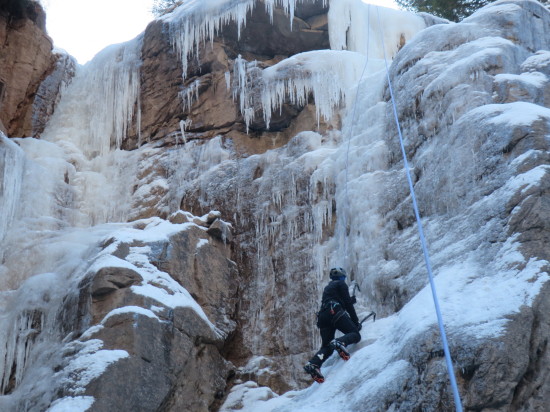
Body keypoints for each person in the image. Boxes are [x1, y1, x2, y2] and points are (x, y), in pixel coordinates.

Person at [303, 267, 361, 383]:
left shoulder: (328, 288)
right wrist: (355, 322)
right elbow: (348, 305)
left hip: (323, 316)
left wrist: (349, 301)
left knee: (327, 347)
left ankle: (314, 363)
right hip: (334, 311)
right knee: (355, 334)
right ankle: (341, 342)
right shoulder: (341, 284)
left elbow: (341, 300)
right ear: (342, 277)